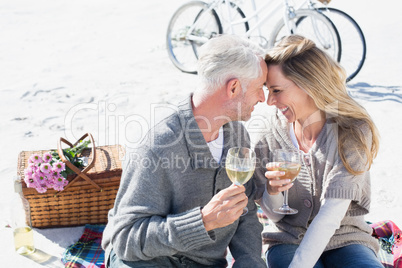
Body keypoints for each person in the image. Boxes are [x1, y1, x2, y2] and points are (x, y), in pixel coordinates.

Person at [102, 34, 268, 268]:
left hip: (204, 263)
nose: (263, 98)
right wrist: (203, 221)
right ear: (233, 87)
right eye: (260, 87)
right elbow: (125, 239)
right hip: (146, 261)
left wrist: (250, 262)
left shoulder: (238, 137)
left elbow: (246, 211)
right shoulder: (157, 143)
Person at [253, 35, 383, 268]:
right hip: (287, 240)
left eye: (277, 90)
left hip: (346, 238)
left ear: (308, 84)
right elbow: (274, 216)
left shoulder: (351, 131)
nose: (269, 101)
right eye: (267, 90)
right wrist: (272, 192)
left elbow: (331, 216)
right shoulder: (269, 132)